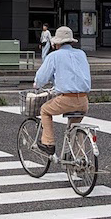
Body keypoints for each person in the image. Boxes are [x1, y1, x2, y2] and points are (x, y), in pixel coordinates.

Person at [32, 25, 91, 155]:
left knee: (45, 110)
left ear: (57, 43)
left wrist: (37, 85)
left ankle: (48, 143)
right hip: (83, 100)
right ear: (71, 42)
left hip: (66, 99)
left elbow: (42, 77)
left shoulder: (54, 56)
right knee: (74, 127)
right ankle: (79, 158)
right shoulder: (81, 54)